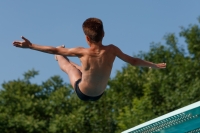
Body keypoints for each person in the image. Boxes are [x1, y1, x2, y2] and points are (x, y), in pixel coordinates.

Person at [13, 18, 166, 101]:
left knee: (69, 67)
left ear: (86, 38)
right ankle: (70, 62)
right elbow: (133, 61)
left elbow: (54, 49)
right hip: (100, 93)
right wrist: (153, 65)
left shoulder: (82, 52)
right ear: (103, 34)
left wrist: (31, 45)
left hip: (83, 93)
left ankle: (59, 59)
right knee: (83, 70)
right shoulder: (112, 50)